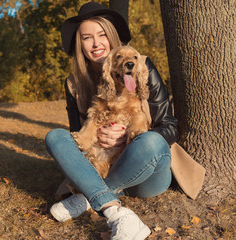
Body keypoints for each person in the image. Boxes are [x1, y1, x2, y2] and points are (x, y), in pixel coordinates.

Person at [45, 2, 179, 240]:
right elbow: (79, 139)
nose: (96, 44)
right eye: (87, 37)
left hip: (147, 172)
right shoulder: (74, 83)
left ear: (112, 36)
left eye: (102, 34)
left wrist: (129, 137)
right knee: (55, 137)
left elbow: (170, 127)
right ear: (80, 44)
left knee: (151, 142)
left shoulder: (142, 65)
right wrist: (98, 134)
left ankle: (88, 196)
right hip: (103, 167)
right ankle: (116, 212)